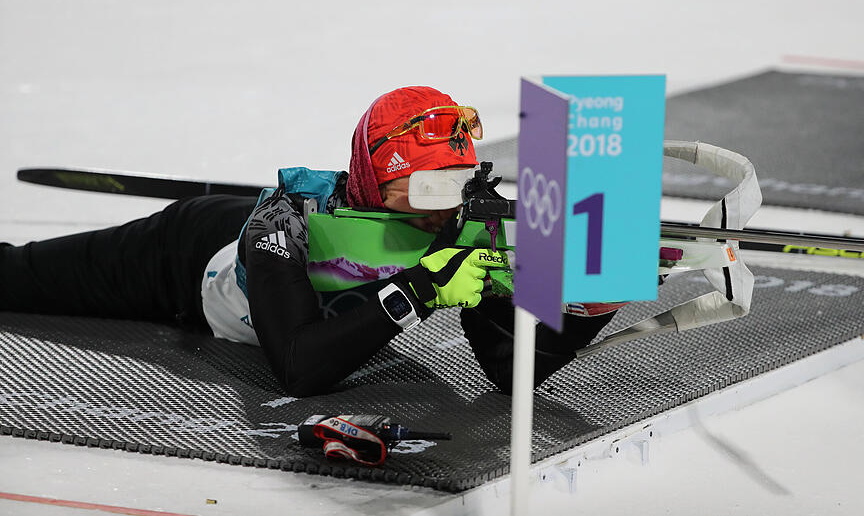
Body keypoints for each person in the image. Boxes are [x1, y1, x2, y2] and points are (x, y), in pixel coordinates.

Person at [0, 86, 614, 396]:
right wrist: (423, 290)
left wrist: (593, 305)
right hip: (181, 255)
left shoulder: (461, 219)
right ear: (375, 181)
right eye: (426, 188)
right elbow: (297, 365)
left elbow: (511, 372)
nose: (446, 206)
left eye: (458, 182)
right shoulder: (282, 223)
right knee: (17, 276)